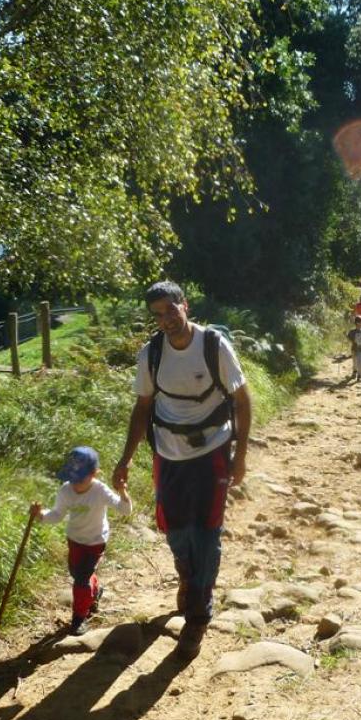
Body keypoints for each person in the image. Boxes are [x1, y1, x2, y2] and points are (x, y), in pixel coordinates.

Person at [114, 281, 251, 660]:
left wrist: (240, 455)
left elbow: (241, 398)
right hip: (169, 454)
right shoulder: (152, 354)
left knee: (206, 533)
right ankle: (188, 579)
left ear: (184, 306)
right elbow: (142, 408)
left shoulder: (213, 346)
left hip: (213, 452)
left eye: (170, 311)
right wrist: (124, 460)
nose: (165, 320)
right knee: (176, 531)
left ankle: (198, 616)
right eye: (157, 314)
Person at [31, 446, 132, 636]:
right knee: (76, 572)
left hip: (95, 541)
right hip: (75, 539)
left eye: (80, 479)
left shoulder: (100, 491)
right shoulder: (66, 490)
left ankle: (79, 618)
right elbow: (57, 515)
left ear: (94, 474)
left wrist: (123, 492)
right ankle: (95, 590)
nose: (75, 484)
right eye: (72, 478)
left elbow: (124, 510)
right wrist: (40, 515)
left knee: (81, 579)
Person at [347, 314, 361, 382]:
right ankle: (354, 371)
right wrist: (345, 335)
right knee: (355, 362)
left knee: (360, 363)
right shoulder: (352, 331)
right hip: (354, 349)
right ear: (356, 323)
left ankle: (359, 376)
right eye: (359, 322)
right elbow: (349, 338)